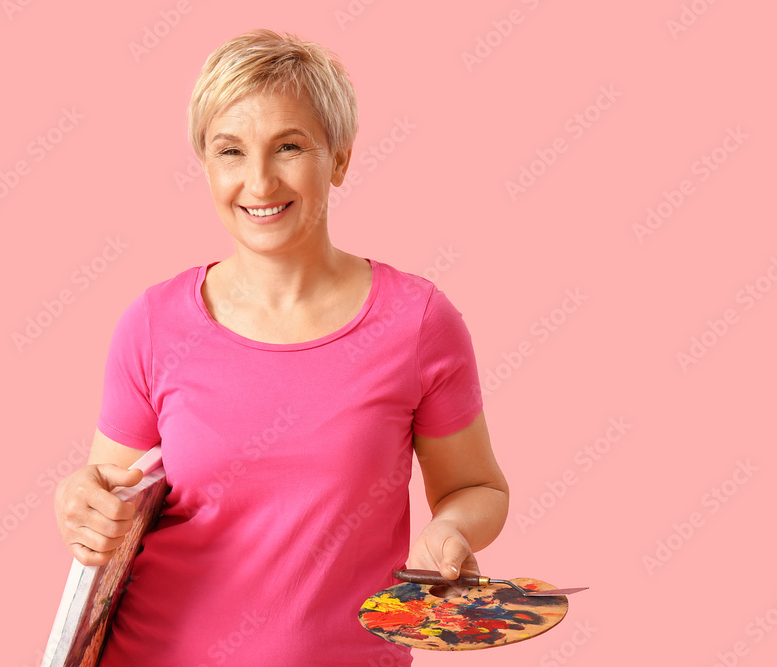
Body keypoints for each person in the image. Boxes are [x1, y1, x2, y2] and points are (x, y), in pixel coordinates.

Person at [53, 28, 509, 666]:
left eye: (289, 146)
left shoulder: (418, 322)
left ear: (340, 158)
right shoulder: (153, 324)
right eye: (230, 151)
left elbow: (477, 486)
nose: (259, 181)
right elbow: (110, 497)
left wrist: (452, 529)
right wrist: (79, 503)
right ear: (207, 165)